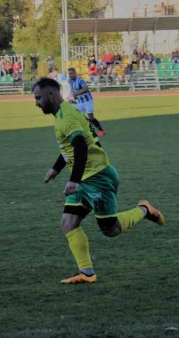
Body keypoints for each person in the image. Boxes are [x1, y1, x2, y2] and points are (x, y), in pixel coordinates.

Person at [33, 78, 165, 284]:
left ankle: (144, 210)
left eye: (38, 98)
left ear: (51, 95)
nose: (36, 103)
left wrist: (74, 180)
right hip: (85, 177)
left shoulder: (67, 117)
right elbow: (71, 146)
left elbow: (81, 147)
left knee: (110, 229)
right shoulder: (64, 113)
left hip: (98, 177)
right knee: (68, 223)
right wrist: (56, 168)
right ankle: (87, 273)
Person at [67, 67, 105, 136]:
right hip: (80, 102)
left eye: (71, 73)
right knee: (76, 115)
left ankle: (101, 130)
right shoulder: (70, 81)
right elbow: (74, 92)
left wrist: (77, 93)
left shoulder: (80, 80)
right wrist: (74, 97)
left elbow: (86, 89)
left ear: (75, 73)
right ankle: (86, 129)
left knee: (91, 117)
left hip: (88, 101)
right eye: (69, 74)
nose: (70, 75)